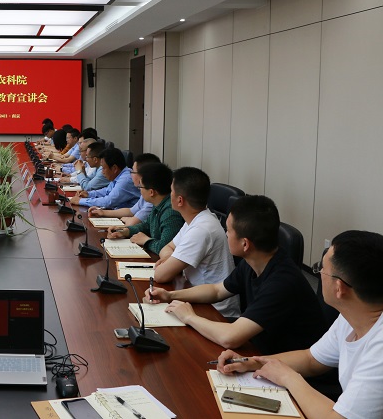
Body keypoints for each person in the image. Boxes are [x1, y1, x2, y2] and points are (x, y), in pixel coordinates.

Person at [217, 230, 383, 419]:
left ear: (339, 288)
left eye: (321, 269)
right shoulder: (352, 316)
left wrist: (288, 378)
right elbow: (311, 359)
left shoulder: (379, 350)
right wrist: (251, 363)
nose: (319, 274)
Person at [144, 195, 326, 354]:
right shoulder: (255, 260)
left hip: (285, 364)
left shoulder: (282, 282)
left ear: (245, 244)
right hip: (261, 345)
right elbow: (217, 290)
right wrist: (170, 295)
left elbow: (230, 338)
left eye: (229, 230)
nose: (225, 234)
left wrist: (189, 317)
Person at [153, 167, 239, 318]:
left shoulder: (202, 229)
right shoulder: (196, 219)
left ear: (180, 200)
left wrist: (169, 263)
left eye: (171, 191)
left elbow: (160, 275)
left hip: (215, 311)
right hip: (196, 296)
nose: (169, 194)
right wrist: (169, 259)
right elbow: (168, 247)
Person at [106, 162, 184, 255]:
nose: (139, 190)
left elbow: (166, 247)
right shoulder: (158, 203)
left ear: (151, 192)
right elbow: (146, 225)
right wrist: (126, 231)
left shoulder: (171, 212)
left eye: (141, 187)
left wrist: (146, 241)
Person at [88, 153, 160, 226]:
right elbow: (130, 211)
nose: (130, 174)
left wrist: (126, 219)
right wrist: (103, 212)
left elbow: (132, 223)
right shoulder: (145, 193)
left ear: (143, 176)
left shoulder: (152, 198)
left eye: (133, 171)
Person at [69, 147, 140, 210]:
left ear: (114, 168)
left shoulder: (126, 179)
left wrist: (80, 201)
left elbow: (108, 202)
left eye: (103, 168)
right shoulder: (119, 175)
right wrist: (89, 194)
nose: (102, 172)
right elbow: (107, 191)